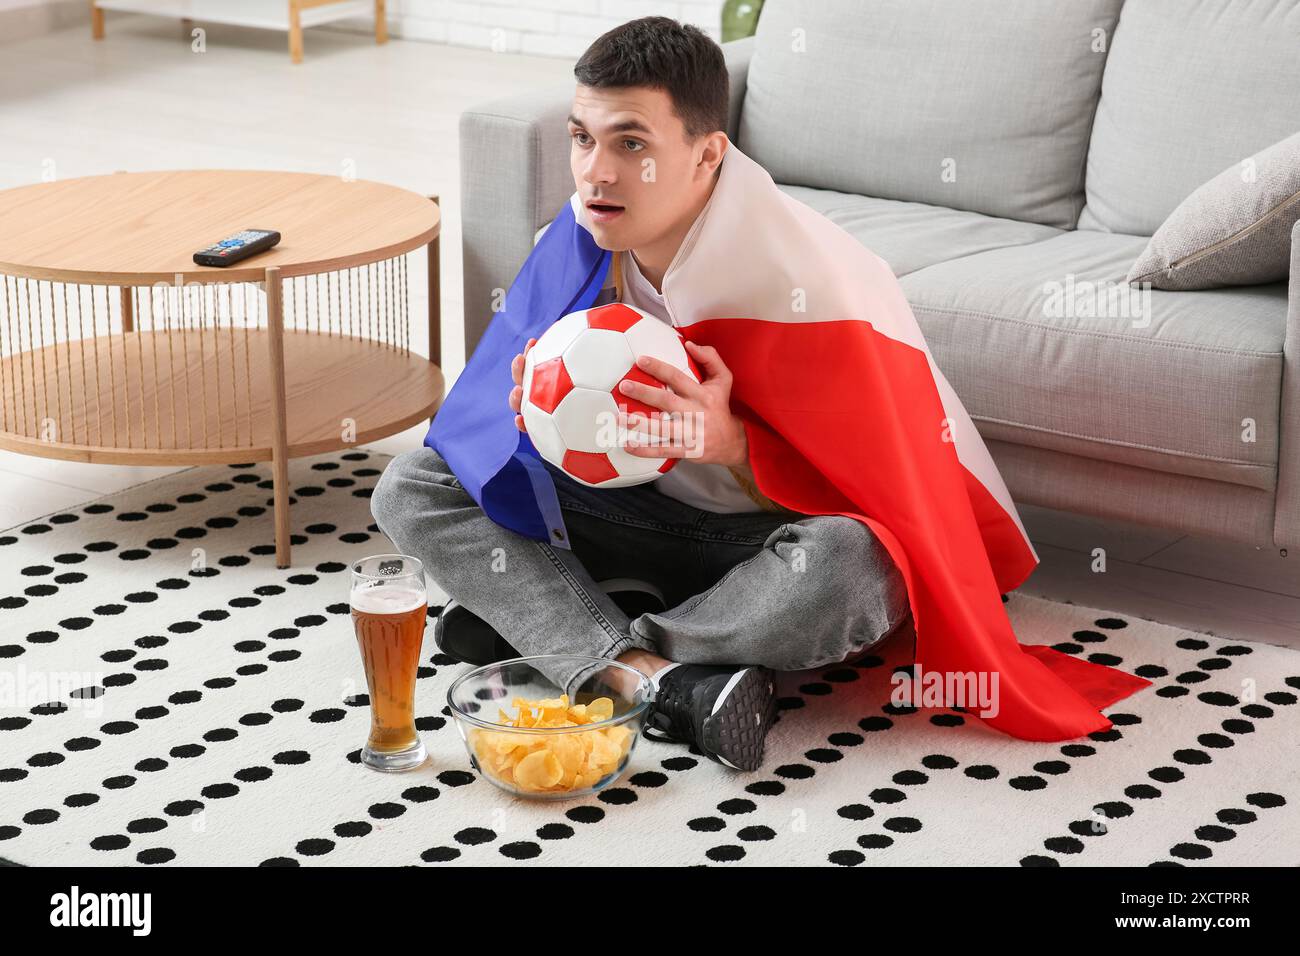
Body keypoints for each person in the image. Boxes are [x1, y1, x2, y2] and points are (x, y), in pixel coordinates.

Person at [371, 17, 913, 772]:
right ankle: (662, 678)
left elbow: (887, 494)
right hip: (616, 519)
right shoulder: (576, 241)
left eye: (630, 144)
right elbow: (484, 447)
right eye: (581, 138)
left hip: (753, 548)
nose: (595, 173)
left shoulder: (814, 283)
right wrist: (523, 413)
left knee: (863, 567)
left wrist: (731, 444)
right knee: (412, 485)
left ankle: (569, 637)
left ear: (707, 153)